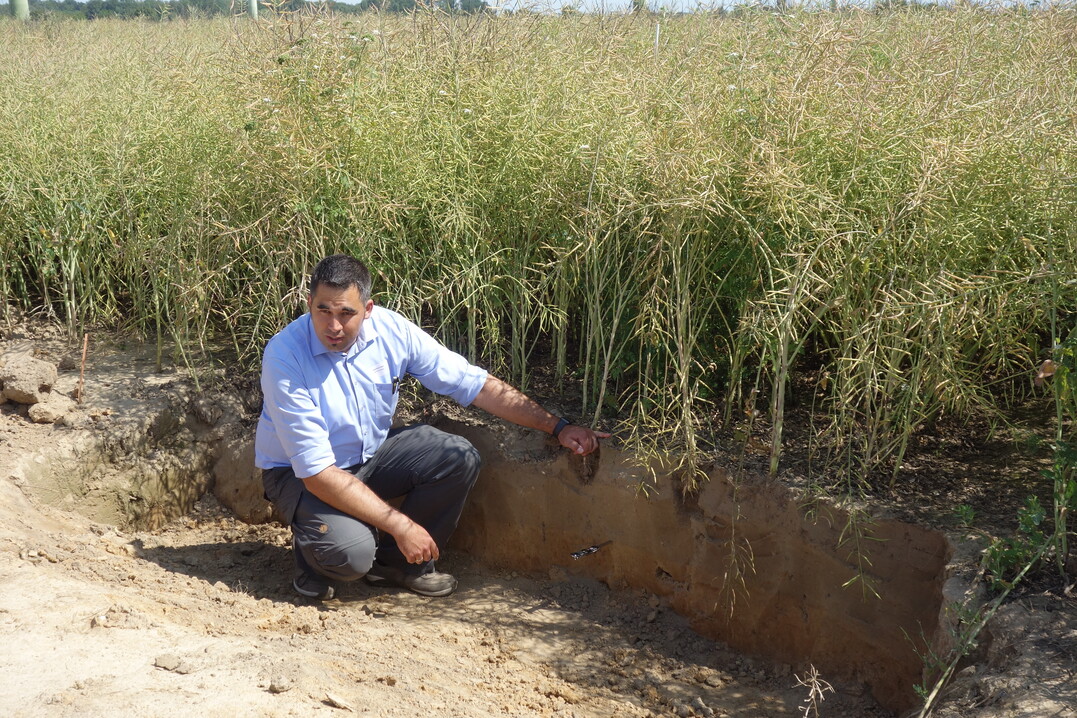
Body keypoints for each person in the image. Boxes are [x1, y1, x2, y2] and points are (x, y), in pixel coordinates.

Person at [256, 254, 608, 599]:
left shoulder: (392, 331)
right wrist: (401, 525)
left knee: (456, 456)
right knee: (351, 554)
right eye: (323, 311)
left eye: (347, 313)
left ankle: (396, 566)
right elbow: (317, 472)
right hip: (299, 474)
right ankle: (314, 560)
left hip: (368, 455)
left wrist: (557, 426)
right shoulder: (285, 356)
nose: (334, 326)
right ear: (308, 303)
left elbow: (474, 384)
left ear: (368, 308)